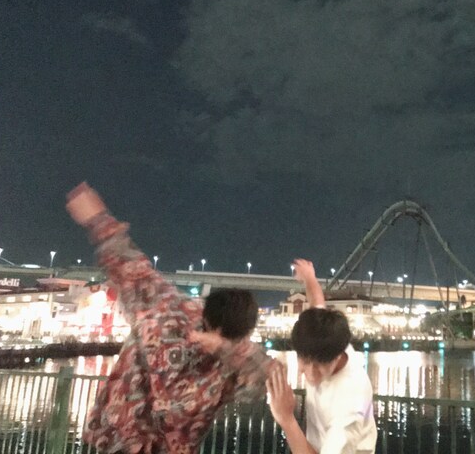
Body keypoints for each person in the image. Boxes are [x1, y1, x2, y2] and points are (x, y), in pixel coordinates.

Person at [66, 182, 274, 454]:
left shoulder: (173, 311)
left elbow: (133, 268)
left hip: (122, 440)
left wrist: (98, 219)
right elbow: (266, 376)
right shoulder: (226, 359)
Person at [266, 259, 377, 454]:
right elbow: (317, 304)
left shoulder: (352, 399)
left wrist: (286, 419)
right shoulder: (327, 337)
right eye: (304, 360)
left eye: (320, 365)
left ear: (337, 356)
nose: (310, 373)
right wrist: (309, 277)